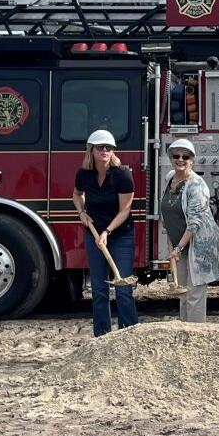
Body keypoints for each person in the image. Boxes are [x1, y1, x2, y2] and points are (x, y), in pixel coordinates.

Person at [72, 129, 137, 337]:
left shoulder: (122, 175)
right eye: (100, 147)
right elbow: (76, 194)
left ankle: (129, 334)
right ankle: (102, 336)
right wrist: (82, 212)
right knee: (99, 289)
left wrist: (108, 231)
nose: (105, 151)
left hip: (120, 235)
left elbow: (125, 210)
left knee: (123, 287)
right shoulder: (84, 175)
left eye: (109, 147)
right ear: (91, 150)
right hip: (93, 234)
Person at [162, 138, 219, 323]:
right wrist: (174, 245)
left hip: (198, 245)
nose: (180, 159)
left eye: (185, 156)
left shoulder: (196, 185)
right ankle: (185, 330)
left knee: (194, 295)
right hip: (179, 245)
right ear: (171, 158)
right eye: (176, 155)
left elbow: (195, 222)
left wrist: (178, 248)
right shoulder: (170, 178)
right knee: (183, 292)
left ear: (192, 160)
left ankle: (197, 335)